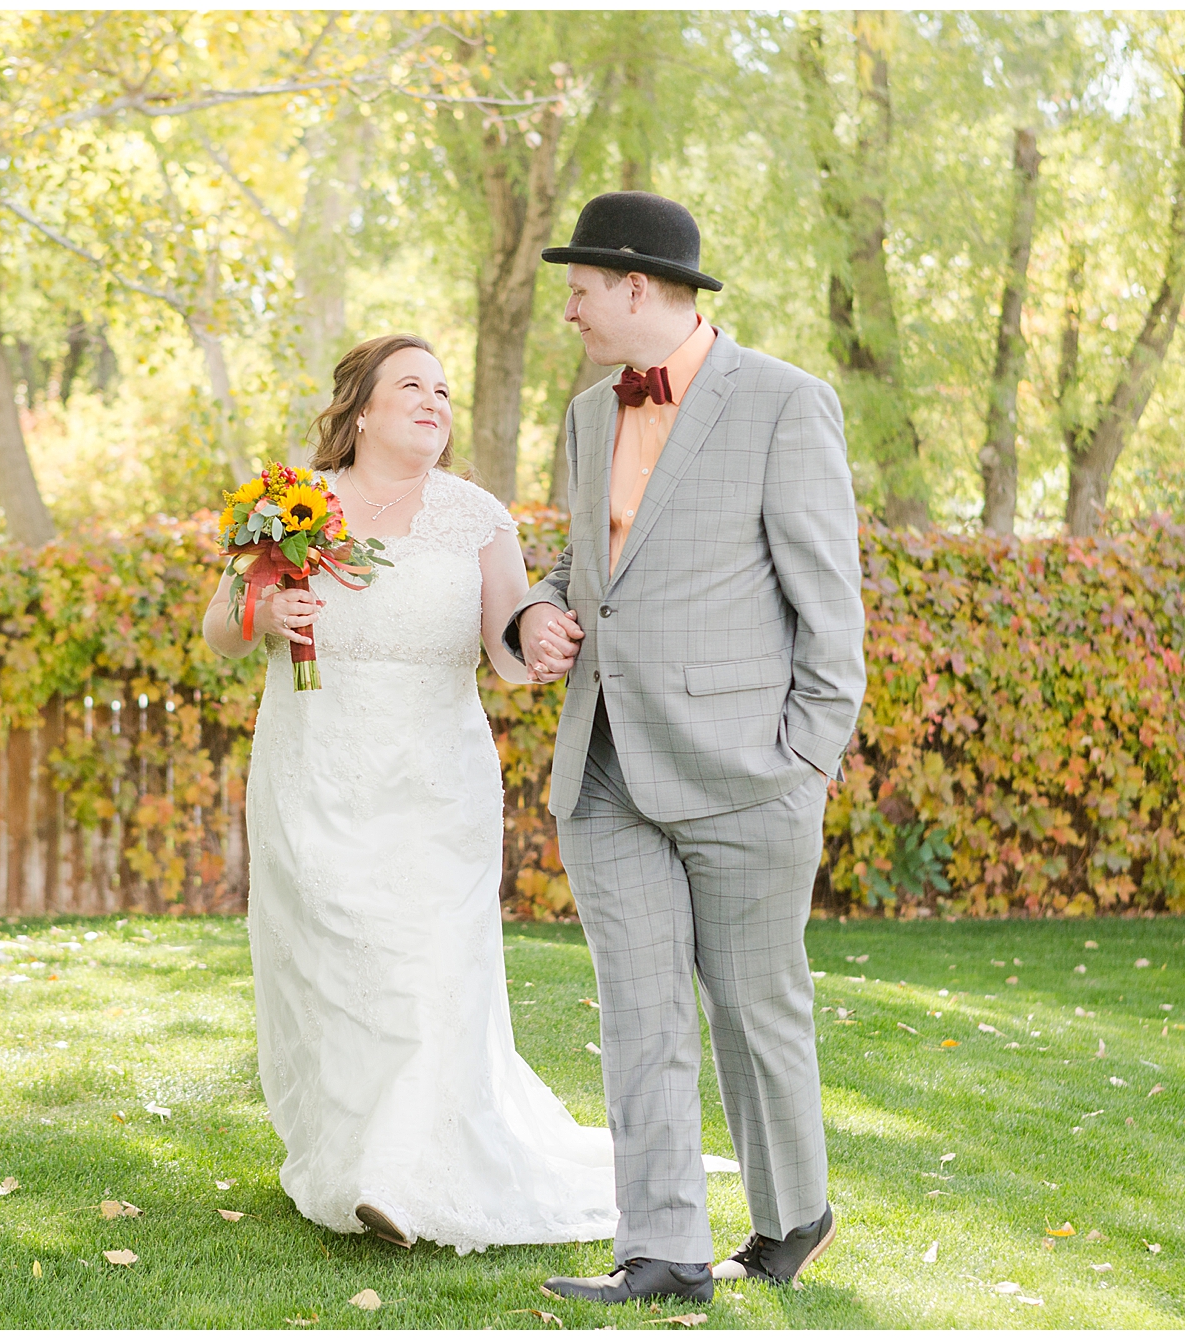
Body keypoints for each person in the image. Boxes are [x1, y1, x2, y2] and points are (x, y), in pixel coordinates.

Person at [512, 192, 869, 1305]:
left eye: (578, 288)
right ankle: (660, 1247)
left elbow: (829, 606)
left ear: (633, 287)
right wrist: (534, 611)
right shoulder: (583, 416)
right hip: (604, 763)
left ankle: (790, 1213)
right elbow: (581, 571)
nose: (565, 308)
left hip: (744, 769)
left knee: (753, 1001)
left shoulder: (783, 404)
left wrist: (802, 753)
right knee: (639, 1007)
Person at [200, 334, 620, 1255]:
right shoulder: (288, 507)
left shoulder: (477, 517)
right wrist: (264, 612)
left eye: (443, 389)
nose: (434, 401)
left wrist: (543, 644)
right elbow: (219, 629)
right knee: (336, 971)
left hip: (437, 780)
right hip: (315, 772)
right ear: (360, 412)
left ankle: (396, 1176)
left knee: (431, 969)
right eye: (411, 386)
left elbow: (505, 653)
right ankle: (352, 1155)